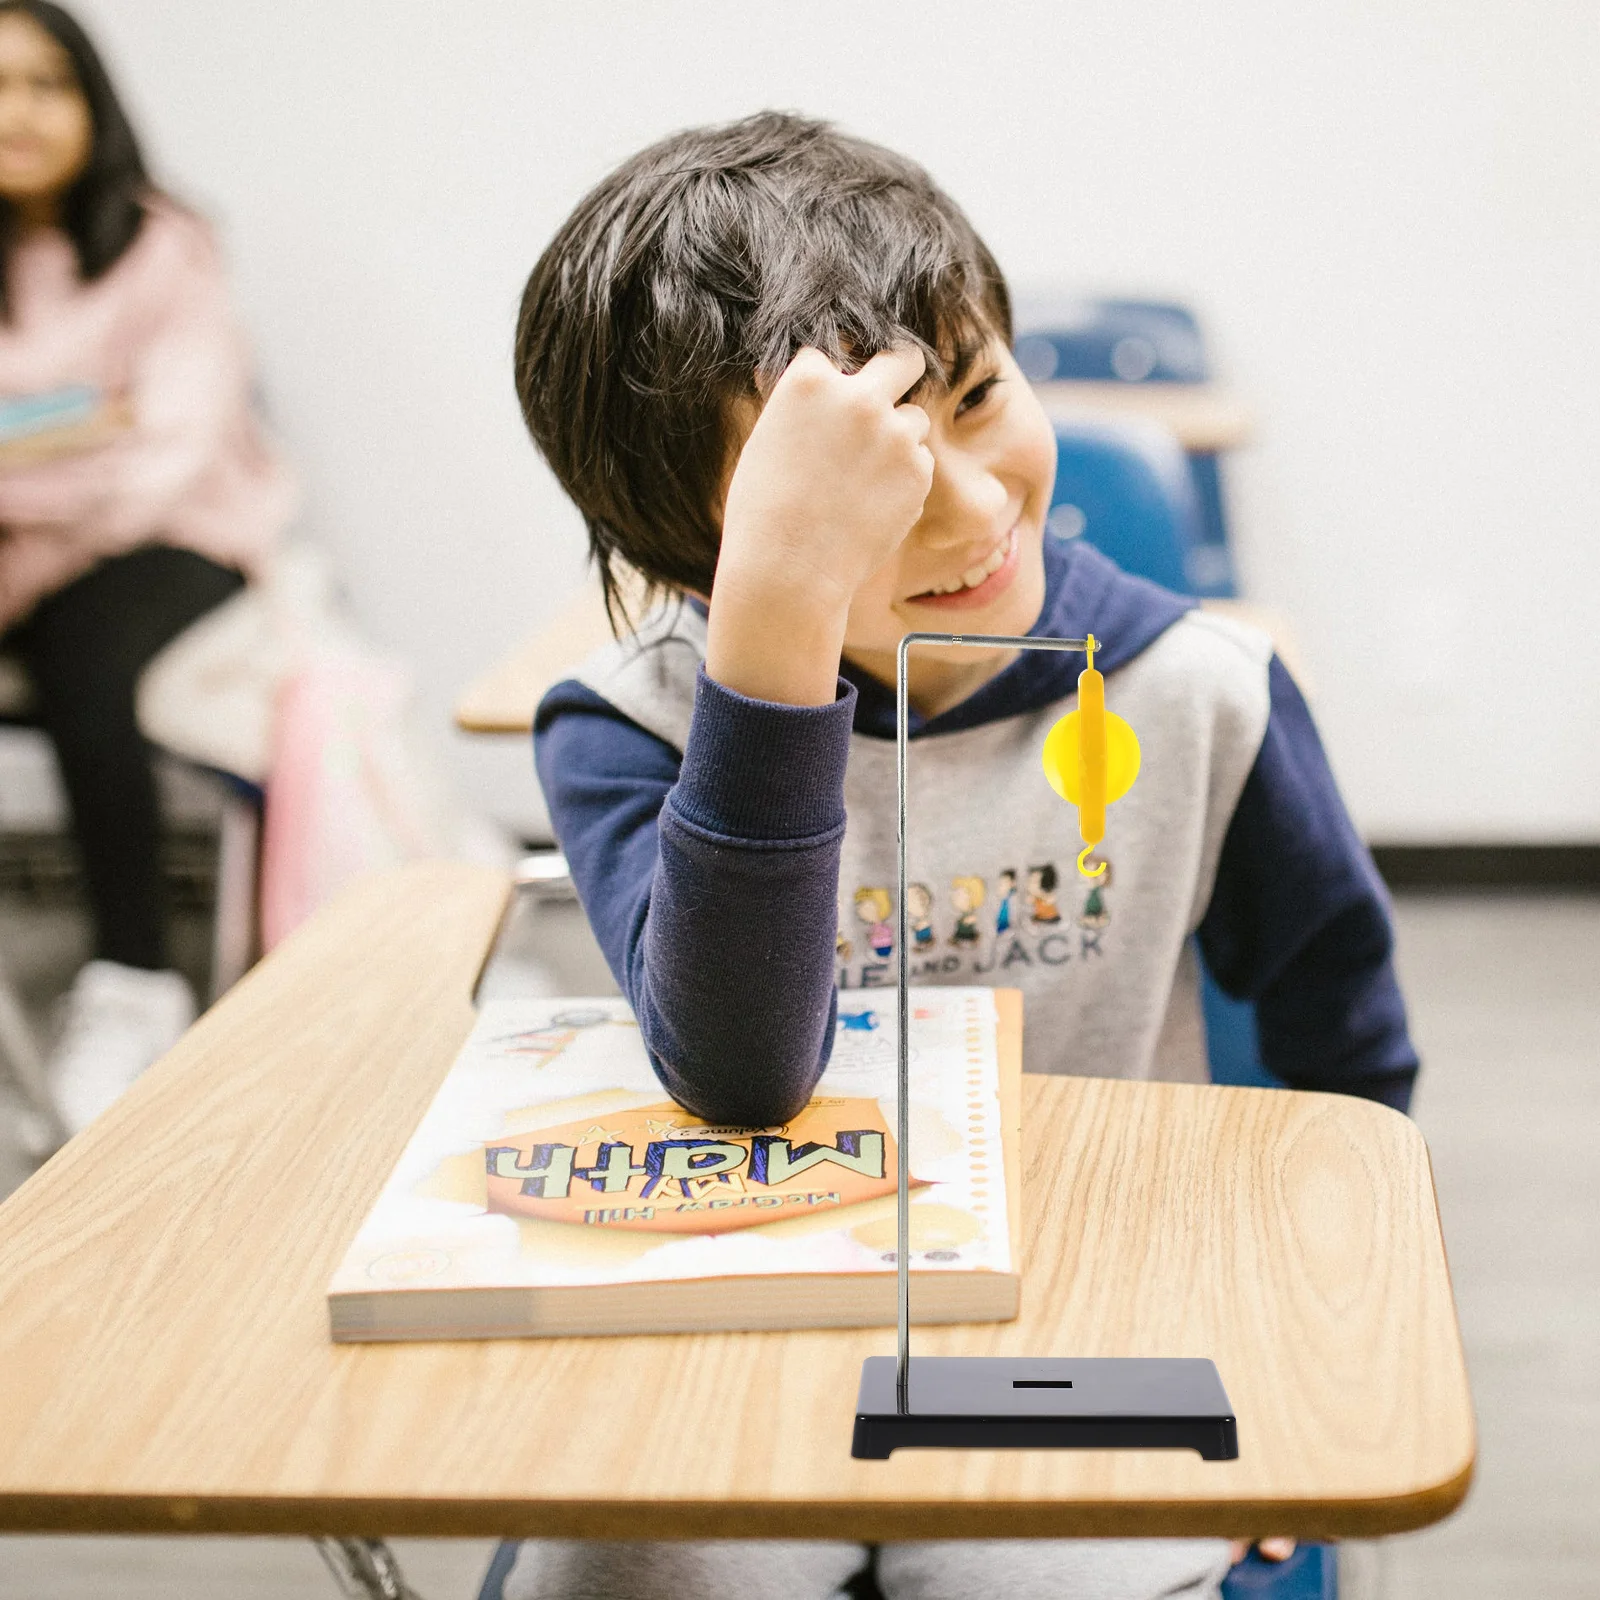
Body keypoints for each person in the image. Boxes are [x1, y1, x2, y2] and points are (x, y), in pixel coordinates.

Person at [512, 113, 1413, 1599]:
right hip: (736, 1320)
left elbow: (1344, 1058)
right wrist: (781, 621)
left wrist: (1305, 1361)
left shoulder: (1201, 696)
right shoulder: (634, 727)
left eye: (979, 395)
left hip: (1079, 1323)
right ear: (694, 556)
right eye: (846, 493)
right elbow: (742, 1070)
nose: (976, 507)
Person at [0, 1, 292, 1133]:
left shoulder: (166, 244)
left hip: (175, 543)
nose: (15, 112)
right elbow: (114, 436)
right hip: (26, 557)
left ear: (92, 103)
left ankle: (133, 979)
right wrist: (82, 426)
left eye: (43, 84)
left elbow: (165, 457)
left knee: (85, 643)